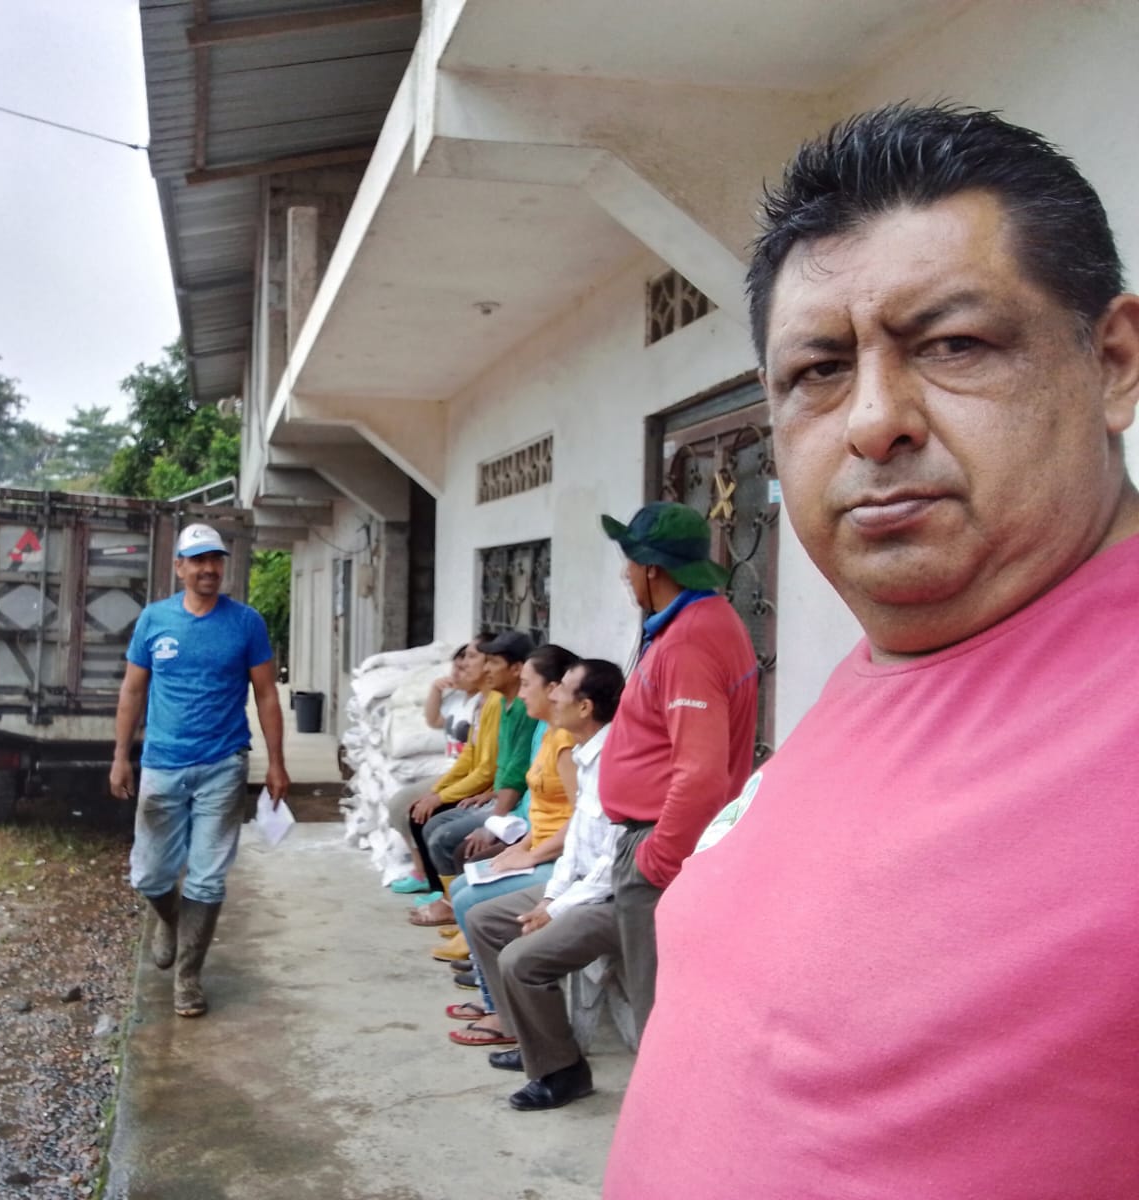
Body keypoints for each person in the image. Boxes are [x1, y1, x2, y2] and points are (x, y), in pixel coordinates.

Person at [604, 104, 1139, 1199]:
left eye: (953, 344)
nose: (872, 420)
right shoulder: (889, 663)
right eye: (817, 370)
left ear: (1114, 363)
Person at [109, 522, 288, 1018]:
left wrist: (276, 762)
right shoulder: (155, 620)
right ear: (180, 568)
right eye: (199, 560)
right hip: (162, 764)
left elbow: (266, 694)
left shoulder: (246, 623)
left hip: (223, 764)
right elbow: (133, 690)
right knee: (150, 875)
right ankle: (170, 920)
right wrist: (121, 756)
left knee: (207, 880)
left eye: (216, 560)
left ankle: (188, 977)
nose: (209, 568)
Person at [597, 501, 759, 1042]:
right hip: (662, 840)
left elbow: (701, 773)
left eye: (628, 562)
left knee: (660, 1021)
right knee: (672, 1011)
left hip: (662, 847)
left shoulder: (690, 639)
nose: (625, 575)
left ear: (651, 568)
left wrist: (656, 860)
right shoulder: (694, 624)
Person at [464, 657, 625, 1110]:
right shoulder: (585, 754)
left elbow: (612, 864)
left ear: (585, 707)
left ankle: (563, 1072)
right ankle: (529, 1039)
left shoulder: (617, 762)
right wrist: (552, 895)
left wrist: (554, 909)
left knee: (521, 960)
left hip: (610, 899)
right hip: (576, 890)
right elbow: (577, 843)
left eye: (562, 689)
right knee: (483, 920)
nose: (552, 694)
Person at [440, 643, 579, 1045]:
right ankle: (494, 1001)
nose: (522, 693)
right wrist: (518, 848)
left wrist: (531, 854)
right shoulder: (546, 733)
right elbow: (543, 810)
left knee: (471, 901)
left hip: (563, 862)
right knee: (465, 884)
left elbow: (579, 821)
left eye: (528, 684)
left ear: (553, 689)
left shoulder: (566, 742)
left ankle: (503, 1015)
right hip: (542, 849)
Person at [407, 630, 538, 926]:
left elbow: (510, 772)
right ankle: (450, 903)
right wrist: (439, 790)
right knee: (432, 823)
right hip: (501, 797)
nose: (483, 668)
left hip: (515, 807)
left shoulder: (520, 709)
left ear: (516, 669)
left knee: (447, 838)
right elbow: (483, 759)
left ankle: (456, 910)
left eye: (492, 661)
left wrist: (493, 820)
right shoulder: (501, 703)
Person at [385, 642, 488, 894]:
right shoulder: (458, 700)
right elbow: (433, 720)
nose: (458, 673)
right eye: (456, 667)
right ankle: (422, 872)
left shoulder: (485, 703)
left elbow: (484, 765)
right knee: (400, 806)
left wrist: (439, 794)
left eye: (465, 667)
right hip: (453, 772)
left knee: (415, 812)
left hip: (466, 776)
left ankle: (435, 885)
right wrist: (435, 690)